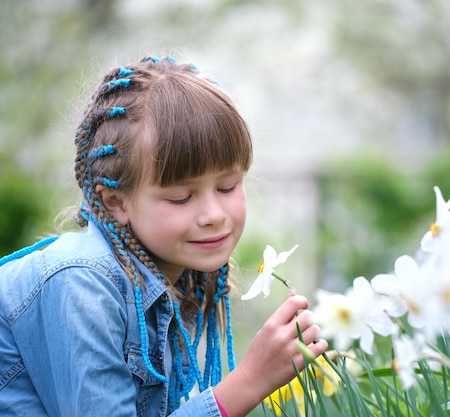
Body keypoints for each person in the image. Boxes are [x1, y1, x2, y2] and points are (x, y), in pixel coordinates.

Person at [0, 56, 328, 417]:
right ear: (115, 203)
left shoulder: (172, 274)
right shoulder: (83, 284)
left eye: (228, 186)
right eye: (181, 197)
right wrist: (248, 382)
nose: (214, 215)